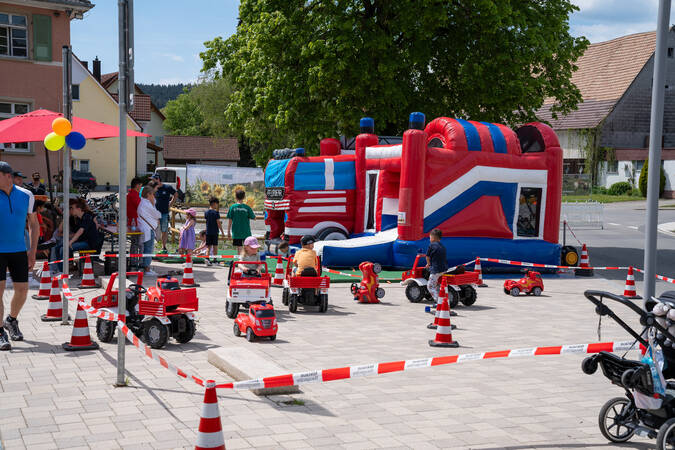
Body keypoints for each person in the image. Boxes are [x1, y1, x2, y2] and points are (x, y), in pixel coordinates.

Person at [0, 161, 39, 350]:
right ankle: (0, 332)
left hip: (18, 250)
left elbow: (34, 224)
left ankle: (11, 320)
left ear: (8, 176)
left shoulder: (26, 195)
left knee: (22, 290)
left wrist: (32, 251)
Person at [51, 198, 101, 273]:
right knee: (57, 247)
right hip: (82, 241)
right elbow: (62, 231)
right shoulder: (78, 218)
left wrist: (70, 242)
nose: (71, 210)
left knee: (63, 249)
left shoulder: (87, 217)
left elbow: (80, 231)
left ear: (79, 209)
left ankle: (62, 271)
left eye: (72, 208)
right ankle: (58, 269)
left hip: (89, 243)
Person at [137, 186, 161, 276]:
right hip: (148, 229)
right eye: (152, 194)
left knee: (144, 249)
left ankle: (144, 268)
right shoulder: (146, 204)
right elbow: (158, 215)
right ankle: (147, 269)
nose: (154, 196)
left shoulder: (142, 202)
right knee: (148, 249)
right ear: (148, 194)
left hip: (144, 228)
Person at [152, 174, 177, 254]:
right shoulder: (152, 188)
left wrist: (170, 204)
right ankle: (152, 246)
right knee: (152, 229)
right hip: (154, 213)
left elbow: (176, 194)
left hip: (164, 213)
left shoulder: (167, 187)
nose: (153, 181)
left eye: (154, 179)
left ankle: (163, 246)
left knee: (164, 230)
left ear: (158, 179)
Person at [227, 189, 255, 254]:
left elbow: (230, 220)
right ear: (244, 197)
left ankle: (240, 261)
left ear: (236, 197)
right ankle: (245, 261)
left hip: (236, 232)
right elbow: (254, 217)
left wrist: (228, 232)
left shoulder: (232, 207)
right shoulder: (247, 207)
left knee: (239, 247)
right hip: (246, 232)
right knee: (247, 246)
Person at [425, 228, 448, 303]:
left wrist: (428, 264)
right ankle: (441, 297)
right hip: (444, 269)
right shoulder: (442, 246)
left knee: (430, 286)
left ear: (433, 237)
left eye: (430, 237)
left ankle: (439, 301)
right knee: (437, 285)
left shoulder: (431, 245)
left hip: (436, 270)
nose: (430, 239)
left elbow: (427, 257)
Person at [127, 178, 143, 267]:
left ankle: (133, 262)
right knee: (138, 244)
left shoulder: (129, 194)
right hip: (135, 223)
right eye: (140, 186)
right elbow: (141, 208)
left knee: (134, 243)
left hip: (131, 222)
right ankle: (138, 264)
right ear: (137, 185)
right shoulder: (134, 195)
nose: (141, 188)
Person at [205, 197, 225, 266]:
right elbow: (218, 223)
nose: (217, 206)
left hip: (208, 232)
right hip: (214, 232)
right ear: (214, 204)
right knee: (215, 246)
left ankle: (207, 259)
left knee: (208, 246)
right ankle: (215, 260)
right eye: (217, 204)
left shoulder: (206, 212)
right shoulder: (216, 213)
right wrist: (222, 232)